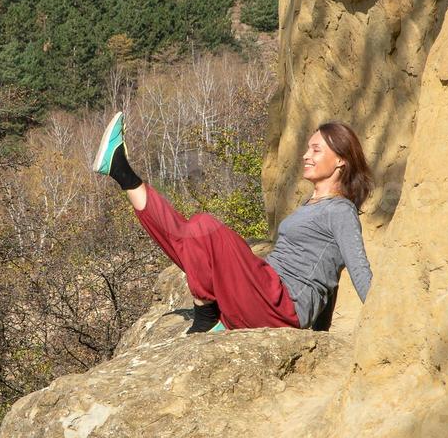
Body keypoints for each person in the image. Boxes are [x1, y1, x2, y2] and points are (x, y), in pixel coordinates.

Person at [92, 112, 374, 334]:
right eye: (308, 149)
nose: (305, 155)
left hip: (279, 306)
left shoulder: (340, 211)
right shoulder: (312, 205)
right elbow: (328, 276)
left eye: (315, 150)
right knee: (186, 235)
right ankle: (121, 171)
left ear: (340, 161)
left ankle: (206, 318)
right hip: (261, 295)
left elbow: (356, 270)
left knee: (204, 226)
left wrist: (381, 327)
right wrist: (320, 333)